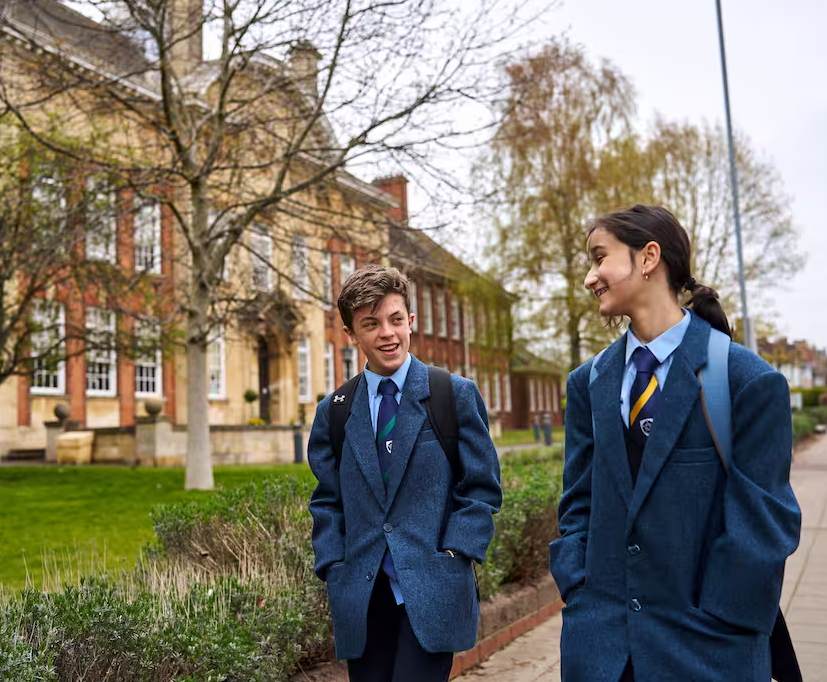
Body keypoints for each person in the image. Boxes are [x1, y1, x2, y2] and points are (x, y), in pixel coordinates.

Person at [549, 205, 801, 681]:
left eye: (600, 258)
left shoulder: (746, 380)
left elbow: (766, 521)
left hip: (707, 650)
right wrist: (578, 588)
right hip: (601, 651)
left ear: (648, 258)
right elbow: (578, 500)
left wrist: (721, 616)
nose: (590, 278)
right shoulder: (588, 383)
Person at [307, 264, 502, 682]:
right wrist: (333, 564)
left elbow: (481, 489)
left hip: (433, 588)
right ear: (351, 334)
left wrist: (455, 553)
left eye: (396, 320)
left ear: (411, 321)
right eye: (371, 324)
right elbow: (327, 501)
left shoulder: (453, 395)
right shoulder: (334, 412)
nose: (387, 334)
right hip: (362, 596)